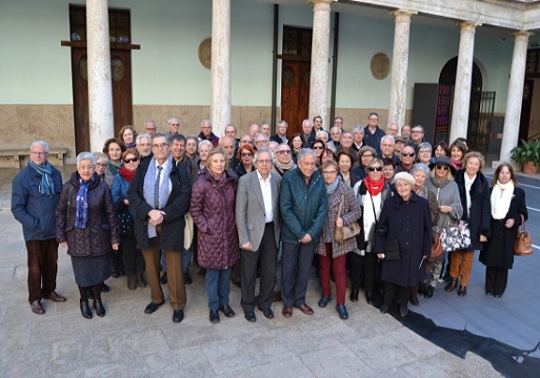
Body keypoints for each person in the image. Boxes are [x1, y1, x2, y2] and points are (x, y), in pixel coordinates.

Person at [127, 133, 192, 323]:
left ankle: (178, 304)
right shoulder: (144, 167)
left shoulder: (179, 169)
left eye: (164, 145)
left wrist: (164, 214)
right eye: (156, 146)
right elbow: (132, 193)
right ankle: (156, 298)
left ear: (170, 147)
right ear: (151, 148)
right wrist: (149, 212)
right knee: (151, 264)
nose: (160, 148)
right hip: (147, 222)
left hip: (170, 222)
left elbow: (185, 197)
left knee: (173, 266)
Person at [56, 152, 120, 319]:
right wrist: (61, 236)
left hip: (99, 235)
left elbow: (111, 213)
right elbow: (60, 212)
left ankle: (97, 299)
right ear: (77, 168)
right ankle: (84, 300)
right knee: (82, 272)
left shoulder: (102, 187)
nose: (86, 170)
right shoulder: (68, 187)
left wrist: (114, 237)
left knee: (99, 271)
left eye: (89, 167)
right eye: (82, 167)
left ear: (95, 168)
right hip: (76, 236)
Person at [12, 140, 66, 315]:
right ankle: (35, 298)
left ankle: (49, 290)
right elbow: (17, 208)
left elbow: (62, 201)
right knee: (35, 267)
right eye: (34, 152)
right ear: (30, 154)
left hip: (53, 230)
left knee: (52, 264)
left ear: (47, 155)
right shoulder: (22, 178)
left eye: (41, 153)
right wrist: (34, 225)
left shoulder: (55, 174)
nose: (37, 155)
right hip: (34, 232)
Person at [190, 148, 240, 323]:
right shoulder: (201, 182)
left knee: (226, 273)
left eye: (222, 161)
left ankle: (224, 303)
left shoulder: (231, 181)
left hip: (229, 235)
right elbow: (195, 209)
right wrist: (206, 227)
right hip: (210, 237)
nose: (219, 164)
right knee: (212, 276)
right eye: (215, 161)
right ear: (209, 162)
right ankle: (213, 307)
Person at [280, 148, 328, 318]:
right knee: (288, 269)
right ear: (299, 163)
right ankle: (287, 302)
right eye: (306, 163)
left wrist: (311, 232)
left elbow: (323, 208)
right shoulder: (289, 179)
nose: (309, 167)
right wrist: (300, 233)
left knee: (304, 269)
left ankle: (299, 300)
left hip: (311, 236)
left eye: (312, 164)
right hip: (291, 235)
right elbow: (285, 209)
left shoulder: (318, 179)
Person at [376, 172, 431, 317]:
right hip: (393, 248)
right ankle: (386, 303)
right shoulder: (389, 203)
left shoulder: (422, 204)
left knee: (407, 280)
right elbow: (381, 227)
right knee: (390, 280)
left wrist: (426, 250)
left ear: (411, 186)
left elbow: (427, 229)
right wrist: (379, 247)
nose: (402, 188)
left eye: (405, 184)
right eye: (399, 185)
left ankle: (403, 305)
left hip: (413, 249)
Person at [236, 148, 281, 322]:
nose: (264, 164)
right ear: (255, 163)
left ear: (272, 163)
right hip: (252, 231)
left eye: (267, 161)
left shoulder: (277, 179)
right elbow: (240, 212)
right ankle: (248, 305)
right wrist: (244, 238)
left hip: (271, 230)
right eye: (260, 161)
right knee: (248, 271)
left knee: (270, 271)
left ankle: (265, 303)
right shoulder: (245, 181)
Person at [317, 160, 362, 319]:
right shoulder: (317, 188)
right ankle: (326, 294)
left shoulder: (346, 190)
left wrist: (344, 219)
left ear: (337, 173)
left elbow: (357, 211)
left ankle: (341, 303)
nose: (328, 175)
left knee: (339, 270)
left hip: (339, 236)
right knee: (324, 267)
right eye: (325, 172)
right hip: (322, 235)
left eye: (331, 172)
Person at [446, 151, 491, 296]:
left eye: (475, 164)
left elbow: (486, 207)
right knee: (456, 252)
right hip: (458, 220)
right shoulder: (456, 178)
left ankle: (464, 283)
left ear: (480, 166)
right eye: (470, 163)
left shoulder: (483, 183)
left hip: (474, 223)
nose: (472, 166)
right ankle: (453, 279)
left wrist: (484, 230)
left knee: (468, 256)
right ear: (465, 163)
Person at [480, 163, 527, 298]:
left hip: (508, 233)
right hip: (493, 230)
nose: (504, 175)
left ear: (511, 175)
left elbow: (524, 214)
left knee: (503, 263)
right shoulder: (490, 191)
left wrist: (515, 220)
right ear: (497, 174)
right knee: (490, 260)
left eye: (507, 173)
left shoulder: (518, 193)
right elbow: (485, 212)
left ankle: (499, 289)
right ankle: (489, 287)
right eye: (502, 172)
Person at [350, 158, 392, 305]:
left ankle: (369, 291)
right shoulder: (358, 186)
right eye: (372, 169)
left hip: (376, 233)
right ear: (367, 170)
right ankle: (355, 289)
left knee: (371, 265)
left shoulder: (387, 190)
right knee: (356, 263)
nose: (375, 172)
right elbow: (352, 206)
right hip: (359, 231)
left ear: (382, 171)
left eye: (378, 169)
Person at [424, 156, 462, 298]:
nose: (441, 170)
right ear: (434, 168)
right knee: (425, 254)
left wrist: (450, 208)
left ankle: (432, 284)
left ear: (448, 170)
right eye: (439, 167)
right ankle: (423, 280)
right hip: (427, 225)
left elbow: (459, 207)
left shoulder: (453, 186)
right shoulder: (427, 183)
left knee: (439, 256)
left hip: (444, 226)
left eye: (445, 168)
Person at [111, 149, 145, 290]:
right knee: (129, 249)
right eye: (127, 160)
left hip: (143, 218)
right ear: (123, 162)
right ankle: (130, 275)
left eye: (134, 159)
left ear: (138, 160)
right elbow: (114, 198)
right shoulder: (119, 178)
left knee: (141, 249)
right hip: (127, 219)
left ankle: (139, 274)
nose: (131, 162)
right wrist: (128, 201)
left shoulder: (144, 175)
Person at [409, 163, 439, 305]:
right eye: (417, 175)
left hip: (421, 234)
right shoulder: (405, 189)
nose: (420, 179)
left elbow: (435, 214)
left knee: (418, 265)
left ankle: (413, 294)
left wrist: (423, 216)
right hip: (405, 233)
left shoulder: (430, 195)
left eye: (423, 176)